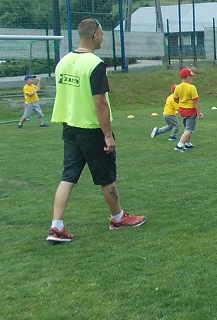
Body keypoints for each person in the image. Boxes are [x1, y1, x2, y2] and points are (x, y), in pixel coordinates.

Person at [46, 18, 146, 244]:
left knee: (68, 177)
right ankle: (118, 218)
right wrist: (108, 135)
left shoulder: (64, 62)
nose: (103, 37)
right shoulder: (95, 64)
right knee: (106, 177)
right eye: (101, 33)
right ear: (94, 36)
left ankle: (56, 226)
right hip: (91, 129)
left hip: (70, 127)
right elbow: (99, 101)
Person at [173, 67, 203, 152]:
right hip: (190, 110)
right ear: (187, 77)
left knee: (187, 127)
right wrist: (199, 112)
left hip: (182, 110)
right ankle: (179, 145)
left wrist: (182, 102)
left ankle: (188, 143)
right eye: (191, 76)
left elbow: (175, 99)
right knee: (189, 129)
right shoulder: (191, 87)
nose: (192, 78)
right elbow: (195, 101)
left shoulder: (177, 87)